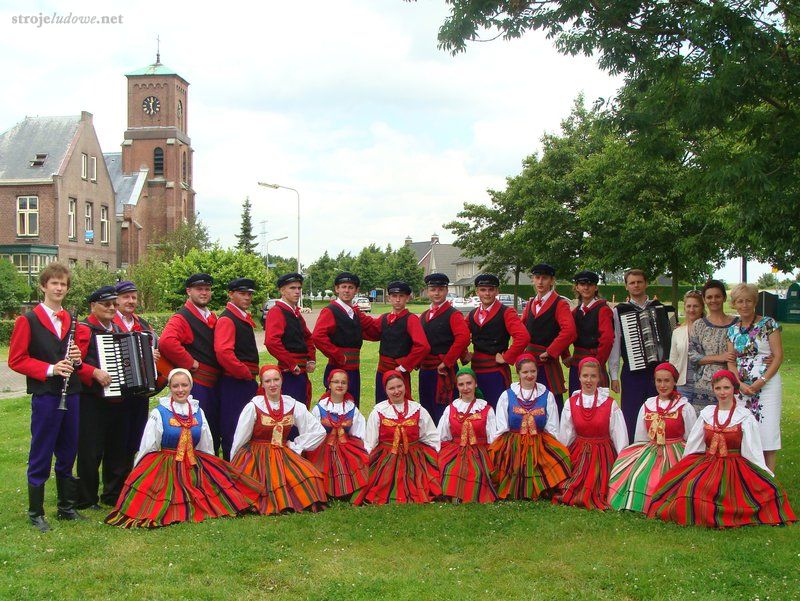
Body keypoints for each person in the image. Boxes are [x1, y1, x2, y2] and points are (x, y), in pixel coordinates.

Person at [105, 369, 261, 528]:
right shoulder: (159, 413)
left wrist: (211, 474)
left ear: (190, 386)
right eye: (176, 386)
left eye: (184, 385)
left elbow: (205, 444)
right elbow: (149, 445)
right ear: (170, 388)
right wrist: (139, 472)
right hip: (166, 463)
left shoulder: (198, 411)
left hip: (193, 462)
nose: (180, 390)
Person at [648, 370, 795, 528]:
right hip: (709, 462)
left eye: (726, 388)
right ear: (713, 389)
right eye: (718, 388)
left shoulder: (744, 416)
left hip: (734, 465)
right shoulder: (707, 414)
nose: (722, 392)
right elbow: (694, 444)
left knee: (733, 495)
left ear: (734, 389)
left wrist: (764, 473)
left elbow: (752, 450)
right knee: (692, 487)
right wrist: (685, 469)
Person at [8, 262, 86, 531]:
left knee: (68, 449)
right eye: (54, 283)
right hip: (46, 394)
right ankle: (36, 512)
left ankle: (66, 507)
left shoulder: (71, 319)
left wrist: (76, 359)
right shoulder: (27, 320)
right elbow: (16, 360)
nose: (59, 288)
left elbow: (77, 357)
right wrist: (50, 369)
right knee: (41, 450)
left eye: (63, 284)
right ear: (43, 286)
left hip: (72, 392)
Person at [230, 365, 327, 514]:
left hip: (282, 451)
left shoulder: (292, 404)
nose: (273, 384)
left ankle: (290, 501)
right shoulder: (253, 406)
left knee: (310, 476)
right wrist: (234, 465)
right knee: (257, 485)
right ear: (262, 384)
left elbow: (318, 431)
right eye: (268, 381)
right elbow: (240, 437)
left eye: (276, 379)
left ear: (282, 381)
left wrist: (296, 446)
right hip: (257, 455)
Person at [607, 362, 697, 513]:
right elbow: (640, 436)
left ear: (674, 381)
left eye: (667, 381)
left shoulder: (684, 407)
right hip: (652, 449)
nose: (662, 385)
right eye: (659, 381)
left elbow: (691, 437)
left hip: (677, 451)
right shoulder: (648, 405)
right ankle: (640, 504)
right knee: (639, 477)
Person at [74, 286, 128, 510]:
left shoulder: (117, 328)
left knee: (117, 448)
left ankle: (112, 494)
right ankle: (86, 499)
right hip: (91, 399)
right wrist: (93, 372)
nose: (112, 308)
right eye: (106, 304)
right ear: (92, 305)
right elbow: (73, 361)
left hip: (117, 399)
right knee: (90, 450)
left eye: (114, 304)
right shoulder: (84, 329)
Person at [490, 355, 571, 500]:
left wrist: (556, 447)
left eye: (532, 371)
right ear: (518, 373)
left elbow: (552, 427)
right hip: (514, 442)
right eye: (525, 372)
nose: (529, 375)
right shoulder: (507, 395)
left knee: (560, 456)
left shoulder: (547, 395)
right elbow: (502, 426)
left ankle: (542, 486)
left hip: (538, 441)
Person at [354, 370, 441, 505]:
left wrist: (436, 456)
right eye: (391, 388)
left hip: (414, 455)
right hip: (387, 455)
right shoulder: (378, 411)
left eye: (399, 386)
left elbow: (430, 435)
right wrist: (367, 461)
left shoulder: (417, 409)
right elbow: (371, 441)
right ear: (386, 390)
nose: (396, 391)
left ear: (405, 385)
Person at [159, 273, 223, 454]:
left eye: (207, 289)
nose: (204, 293)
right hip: (199, 384)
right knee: (200, 431)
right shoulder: (182, 317)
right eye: (199, 289)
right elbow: (166, 341)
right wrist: (190, 362)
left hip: (215, 384)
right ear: (189, 291)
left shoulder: (211, 316)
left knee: (213, 430)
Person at [552, 358, 628, 510]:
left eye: (593, 376)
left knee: (598, 487)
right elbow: (567, 434)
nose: (589, 380)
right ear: (579, 377)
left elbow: (619, 436)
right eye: (585, 376)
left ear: (599, 378)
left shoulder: (609, 404)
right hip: (579, 452)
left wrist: (622, 464)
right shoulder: (571, 403)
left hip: (603, 454)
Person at [726, 283, 784, 474]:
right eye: (740, 301)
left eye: (748, 300)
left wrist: (761, 382)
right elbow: (731, 361)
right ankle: (748, 478)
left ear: (755, 302)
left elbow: (778, 356)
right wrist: (739, 384)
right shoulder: (732, 330)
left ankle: (769, 480)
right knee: (745, 433)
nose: (744, 305)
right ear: (734, 304)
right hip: (742, 388)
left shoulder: (768, 324)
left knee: (768, 433)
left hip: (767, 385)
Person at [608, 269, 664, 441]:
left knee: (657, 413)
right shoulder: (620, 311)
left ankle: (657, 451)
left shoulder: (659, 308)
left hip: (657, 371)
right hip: (632, 372)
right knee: (631, 414)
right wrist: (614, 374)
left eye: (639, 281)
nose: (636, 285)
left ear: (646, 283)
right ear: (626, 286)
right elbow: (615, 343)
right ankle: (632, 453)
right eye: (632, 282)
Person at [113, 280, 160, 468]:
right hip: (119, 390)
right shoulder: (111, 323)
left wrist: (153, 356)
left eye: (133, 297)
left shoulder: (142, 324)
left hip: (141, 389)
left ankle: (133, 474)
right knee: (118, 438)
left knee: (137, 435)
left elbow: (153, 345)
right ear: (116, 300)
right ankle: (115, 483)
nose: (130, 301)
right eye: (126, 297)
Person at [465, 274, 530, 408]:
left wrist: (507, 357)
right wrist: (464, 354)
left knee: (497, 409)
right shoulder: (472, 314)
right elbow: (460, 336)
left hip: (495, 370)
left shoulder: (506, 312)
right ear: (477, 292)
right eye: (483, 290)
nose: (487, 293)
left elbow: (523, 337)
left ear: (497, 291)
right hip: (476, 370)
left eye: (491, 289)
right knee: (477, 409)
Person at [311, 272, 377, 405]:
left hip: (354, 369)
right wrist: (338, 355)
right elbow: (318, 336)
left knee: (352, 406)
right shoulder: (331, 310)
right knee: (336, 408)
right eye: (343, 287)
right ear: (337, 289)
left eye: (351, 287)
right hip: (338, 368)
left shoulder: (353, 312)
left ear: (356, 291)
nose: (346, 290)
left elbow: (371, 331)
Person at [306, 369, 369, 501]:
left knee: (352, 463)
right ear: (329, 385)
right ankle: (325, 491)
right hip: (323, 447)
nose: (340, 385)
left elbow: (360, 432)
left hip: (346, 445)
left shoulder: (351, 408)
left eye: (343, 383)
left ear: (347, 386)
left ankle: (346, 491)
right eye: (336, 382)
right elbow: (311, 431)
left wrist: (366, 450)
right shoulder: (320, 408)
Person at [214, 278, 260, 460]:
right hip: (235, 382)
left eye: (249, 294)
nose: (247, 297)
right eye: (242, 293)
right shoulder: (227, 319)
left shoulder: (241, 317)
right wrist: (245, 373)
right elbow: (223, 352)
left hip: (244, 381)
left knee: (247, 427)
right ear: (231, 294)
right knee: (233, 429)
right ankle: (231, 472)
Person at [437, 367, 498, 503]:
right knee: (449, 467)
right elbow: (443, 435)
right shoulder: (451, 408)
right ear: (457, 386)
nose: (465, 388)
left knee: (477, 472)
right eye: (461, 384)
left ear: (475, 384)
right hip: (455, 448)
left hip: (479, 449)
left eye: (469, 383)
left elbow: (493, 438)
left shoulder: (486, 409)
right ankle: (453, 494)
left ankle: (467, 495)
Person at [520, 263, 576, 412]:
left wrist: (551, 351)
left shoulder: (560, 304)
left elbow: (569, 331)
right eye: (537, 278)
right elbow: (521, 330)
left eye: (544, 278)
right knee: (529, 404)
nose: (540, 282)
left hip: (547, 362)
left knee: (551, 405)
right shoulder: (530, 303)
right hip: (530, 361)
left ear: (552, 281)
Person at [419, 273, 471, 425]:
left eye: (440, 289)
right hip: (426, 371)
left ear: (446, 290)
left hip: (444, 371)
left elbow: (463, 338)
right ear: (428, 291)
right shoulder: (423, 316)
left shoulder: (453, 314)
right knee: (427, 408)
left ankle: (446, 445)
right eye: (433, 289)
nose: (437, 293)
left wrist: (447, 361)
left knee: (445, 411)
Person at [370, 281, 430, 403]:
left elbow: (423, 346)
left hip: (398, 371)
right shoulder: (384, 318)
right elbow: (371, 331)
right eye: (394, 296)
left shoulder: (411, 319)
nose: (397, 300)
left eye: (401, 296)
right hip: (382, 369)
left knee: (401, 403)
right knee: (382, 403)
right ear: (389, 298)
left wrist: (405, 366)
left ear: (407, 298)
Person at [264, 272, 317, 407]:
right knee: (291, 411)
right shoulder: (277, 311)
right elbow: (272, 342)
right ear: (282, 290)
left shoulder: (296, 313)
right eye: (292, 288)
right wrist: (291, 363)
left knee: (302, 409)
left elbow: (308, 337)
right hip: (289, 373)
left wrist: (311, 358)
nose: (297, 291)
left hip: (301, 371)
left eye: (299, 288)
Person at [688, 279, 738, 411]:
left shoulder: (737, 323)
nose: (713, 300)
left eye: (717, 296)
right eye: (709, 297)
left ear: (724, 298)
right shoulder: (699, 325)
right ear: (704, 299)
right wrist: (719, 358)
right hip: (705, 384)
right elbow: (693, 356)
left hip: (733, 381)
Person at [563, 270, 614, 397]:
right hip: (577, 366)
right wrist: (566, 356)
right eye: (582, 284)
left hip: (595, 363)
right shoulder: (574, 313)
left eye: (590, 284)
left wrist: (597, 364)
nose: (586, 287)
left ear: (596, 287)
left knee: (597, 406)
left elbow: (607, 340)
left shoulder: (603, 310)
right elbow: (565, 334)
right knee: (576, 403)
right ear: (577, 287)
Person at [668, 290, 704, 406]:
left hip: (704, 384)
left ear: (702, 308)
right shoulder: (677, 332)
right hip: (683, 385)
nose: (691, 310)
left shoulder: (708, 330)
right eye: (688, 306)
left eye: (695, 306)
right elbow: (673, 361)